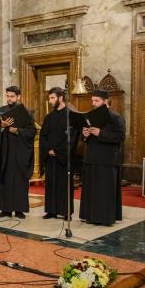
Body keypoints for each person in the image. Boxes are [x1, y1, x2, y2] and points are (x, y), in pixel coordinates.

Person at [79, 88, 125, 226]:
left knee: (104, 191)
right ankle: (90, 216)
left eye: (96, 101)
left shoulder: (116, 117)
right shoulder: (90, 116)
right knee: (91, 190)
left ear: (105, 102)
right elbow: (84, 138)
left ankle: (104, 218)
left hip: (107, 160)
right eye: (92, 100)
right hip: (92, 158)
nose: (93, 103)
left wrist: (100, 133)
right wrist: (85, 135)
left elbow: (120, 136)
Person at [0, 86, 36, 219]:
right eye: (7, 96)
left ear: (18, 97)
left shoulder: (26, 112)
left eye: (12, 96)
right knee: (4, 179)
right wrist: (2, 126)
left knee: (19, 181)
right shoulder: (1, 111)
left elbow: (32, 131)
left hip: (19, 152)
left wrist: (18, 131)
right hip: (5, 152)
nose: (9, 99)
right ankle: (5, 209)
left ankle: (19, 210)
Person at [39, 87, 79, 220]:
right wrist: (48, 149)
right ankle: (51, 210)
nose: (50, 101)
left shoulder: (70, 116)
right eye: (49, 98)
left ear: (60, 98)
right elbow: (43, 136)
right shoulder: (48, 117)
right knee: (50, 184)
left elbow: (72, 138)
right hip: (50, 157)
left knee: (64, 185)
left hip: (63, 158)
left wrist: (57, 151)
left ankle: (66, 212)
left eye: (52, 98)